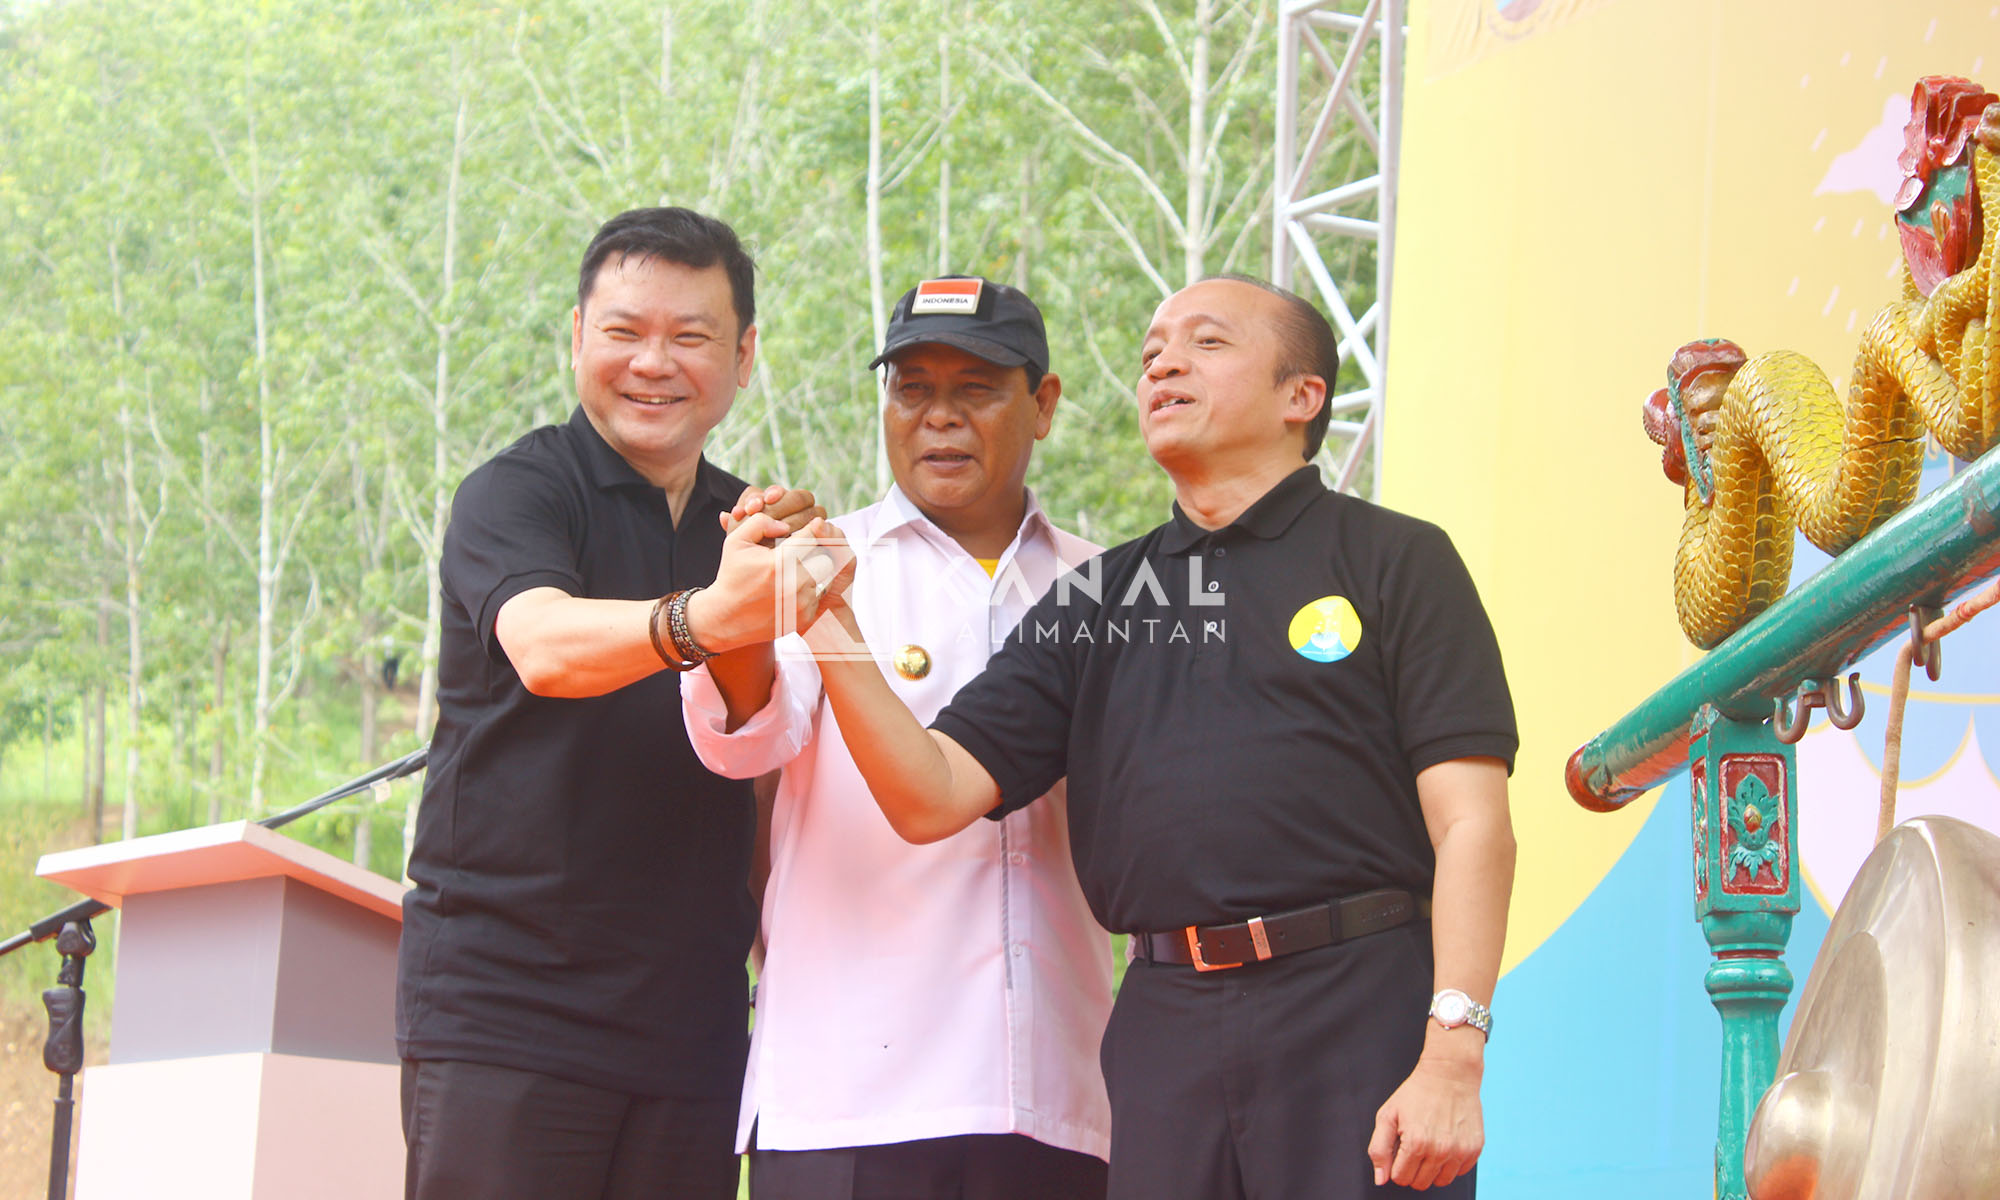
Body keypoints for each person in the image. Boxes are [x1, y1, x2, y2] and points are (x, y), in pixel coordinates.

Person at [714, 275, 1517, 1198]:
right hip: (1163, 1030)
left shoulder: (1394, 558)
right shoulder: (1102, 595)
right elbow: (930, 794)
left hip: (1356, 1006)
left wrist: (1453, 1052)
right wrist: (827, 614)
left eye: (1206, 343)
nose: (1163, 365)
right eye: (1151, 354)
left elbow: (1473, 824)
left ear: (1303, 396)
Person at [396, 206, 825, 1200]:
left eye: (691, 337)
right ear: (577, 338)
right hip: (506, 1008)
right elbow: (544, 647)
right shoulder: (516, 493)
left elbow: (762, 751)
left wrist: (755, 610)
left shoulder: (745, 524)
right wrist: (707, 616)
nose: (653, 364)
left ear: (744, 356)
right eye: (624, 332)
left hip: (693, 1026)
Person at [681, 277, 1114, 1200]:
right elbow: (742, 737)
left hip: (1056, 1099)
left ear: (1043, 404)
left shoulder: (1106, 588)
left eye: (976, 388)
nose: (939, 417)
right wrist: (747, 609)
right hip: (850, 1101)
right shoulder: (821, 564)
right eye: (912, 389)